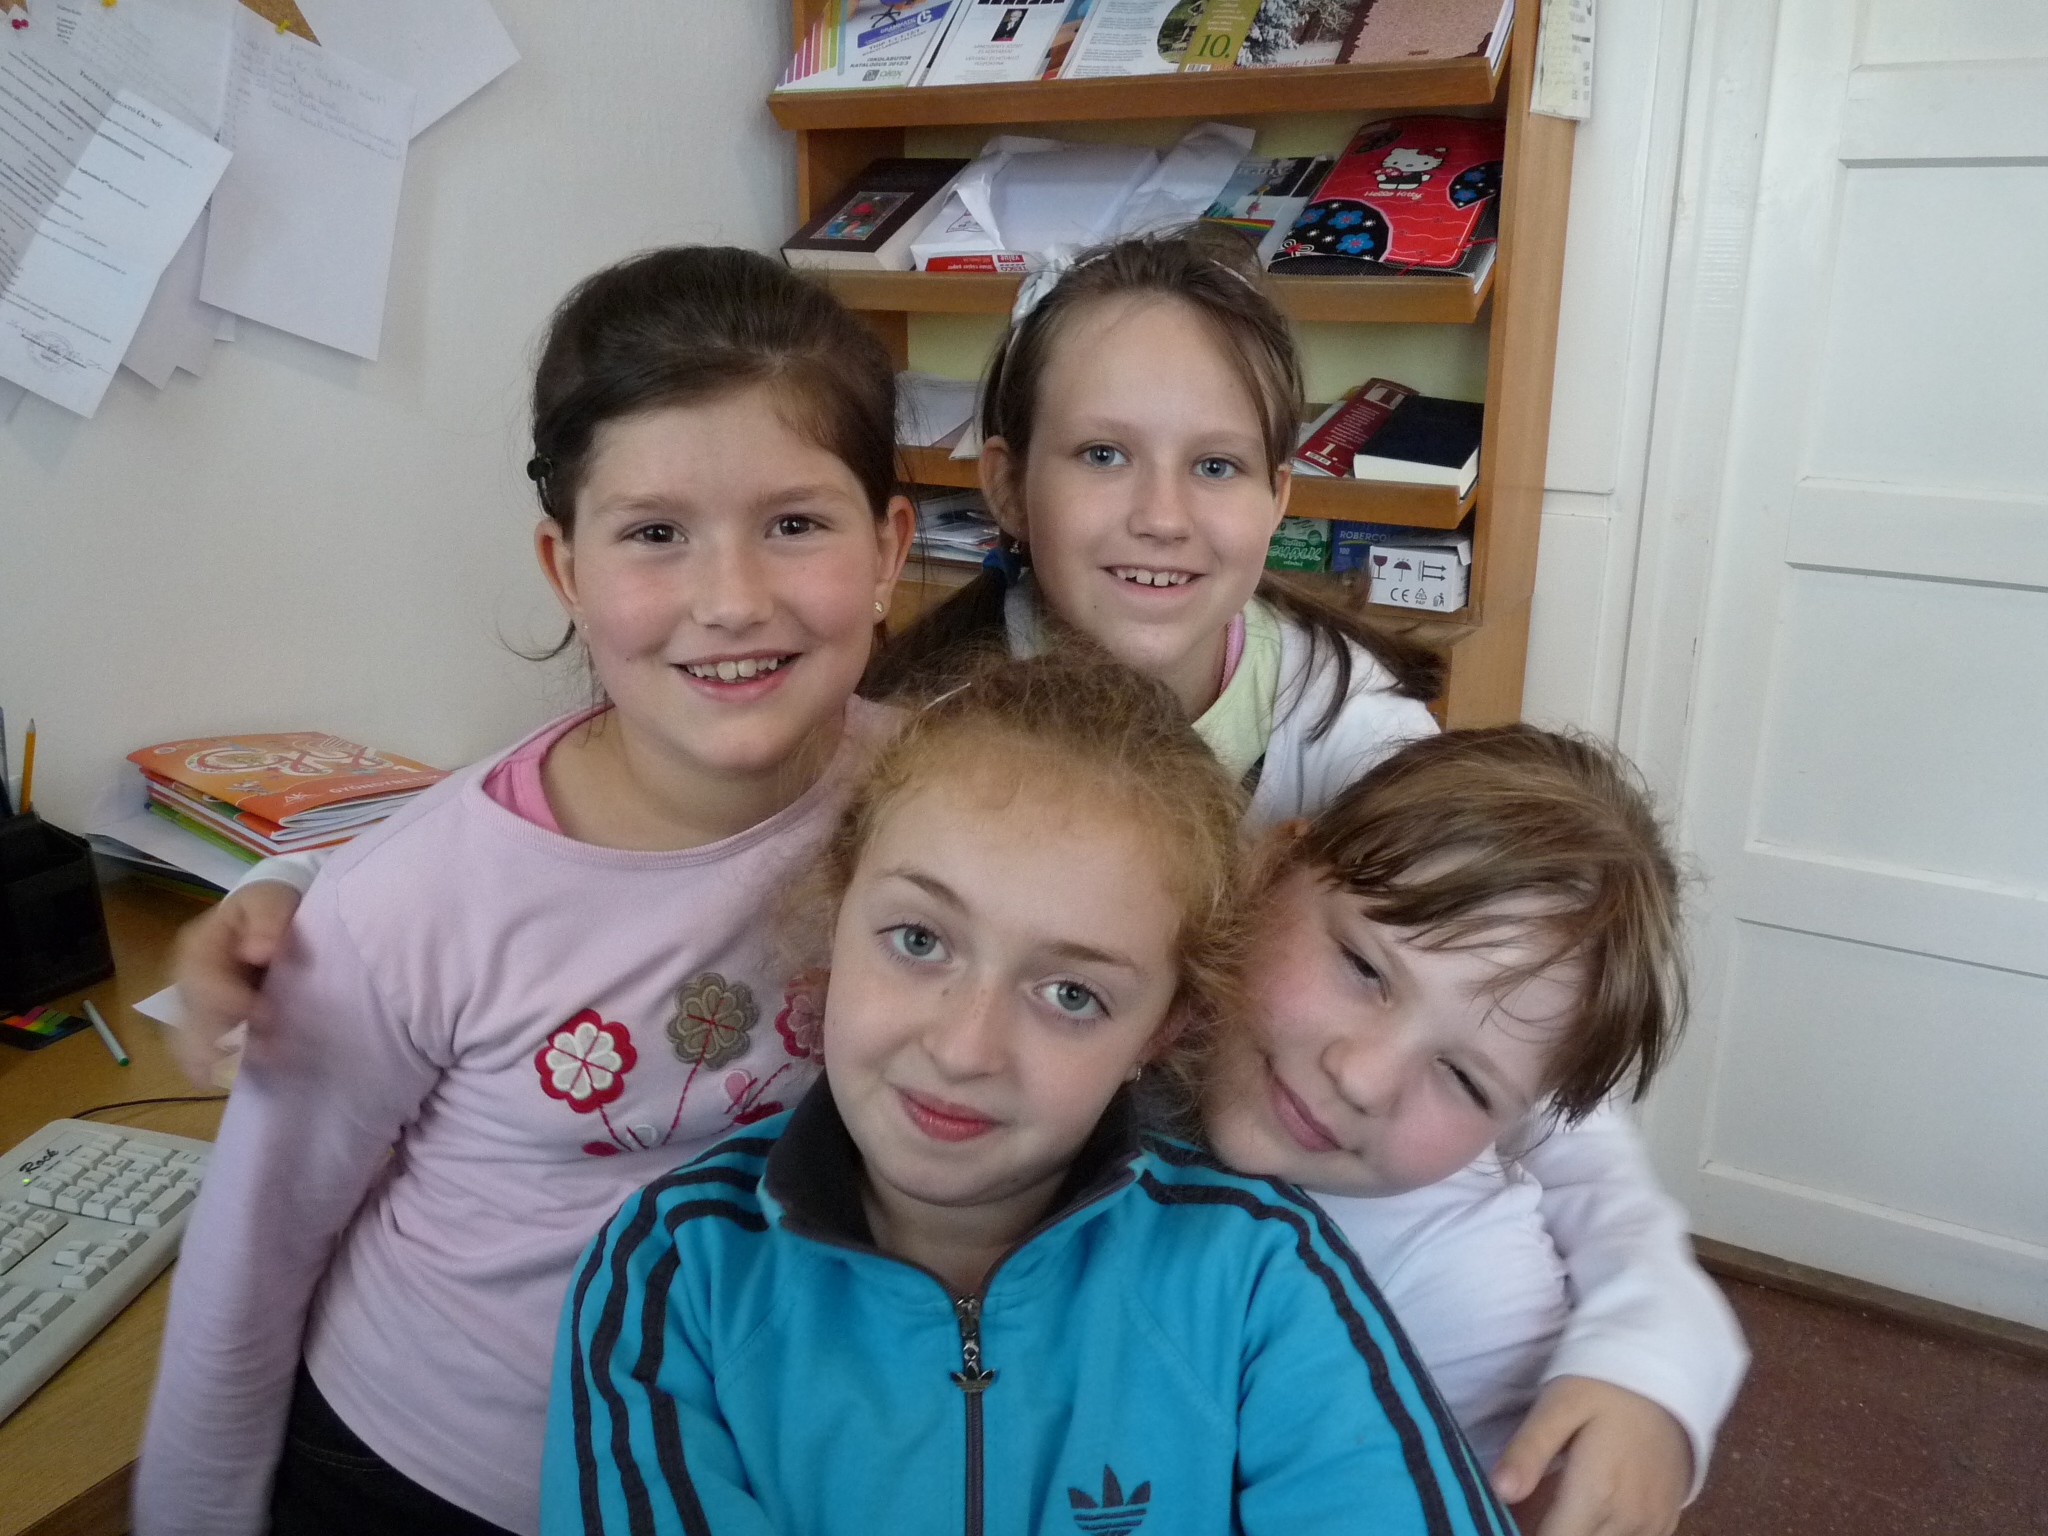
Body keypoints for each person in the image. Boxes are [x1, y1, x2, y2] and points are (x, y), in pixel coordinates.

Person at [166, 229, 1741, 1536]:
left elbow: (1548, 1073)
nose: (733, 597)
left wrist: (1653, 1351)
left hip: (869, 1411)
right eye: (1102, 453)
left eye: (1214, 462)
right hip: (457, 1458)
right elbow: (512, 883)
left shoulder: (1270, 757)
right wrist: (303, 890)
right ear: (1005, 484)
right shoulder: (906, 756)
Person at [133, 246, 916, 1536]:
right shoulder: (402, 909)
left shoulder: (935, 800)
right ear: (565, 570)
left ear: (887, 549)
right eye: (654, 534)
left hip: (743, 1471)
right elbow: (244, 1271)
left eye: (794, 524)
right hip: (430, 1481)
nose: (731, 600)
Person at [542, 653, 1514, 1536]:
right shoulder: (676, 1272)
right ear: (837, 914)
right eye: (919, 940)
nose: (965, 1050)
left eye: (1071, 995)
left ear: (1160, 1030)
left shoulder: (1257, 1273)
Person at [1206, 727, 1749, 1534]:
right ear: (1274, 863)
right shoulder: (1113, 990)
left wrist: (1653, 1360)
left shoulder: (1467, 1298)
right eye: (1364, 967)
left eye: (1463, 1079)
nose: (1361, 1077)